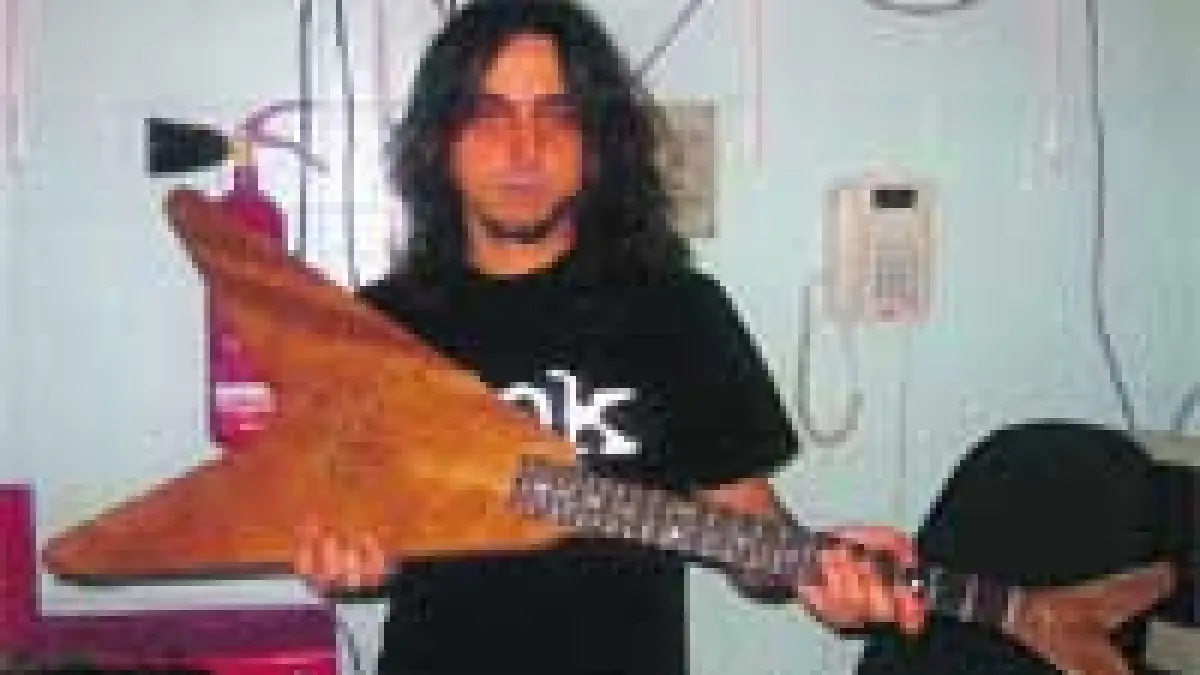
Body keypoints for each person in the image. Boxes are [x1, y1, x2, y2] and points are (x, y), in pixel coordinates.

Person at [295, 1, 925, 674]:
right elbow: (345, 516)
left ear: (595, 144)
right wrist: (345, 556)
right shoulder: (377, 328)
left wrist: (815, 568)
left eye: (556, 115)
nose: (524, 149)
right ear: (439, 141)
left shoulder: (679, 312)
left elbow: (750, 529)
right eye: (488, 114)